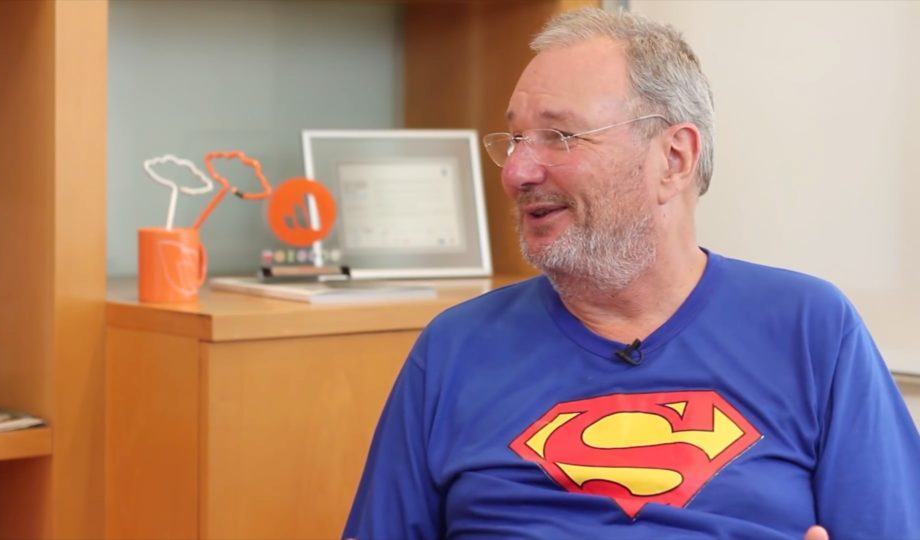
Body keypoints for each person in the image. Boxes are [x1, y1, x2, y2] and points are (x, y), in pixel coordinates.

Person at [343, 8, 920, 540]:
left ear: (673, 158)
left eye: (560, 136)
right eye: (516, 138)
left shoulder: (811, 328)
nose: (517, 170)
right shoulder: (454, 348)